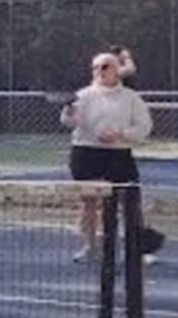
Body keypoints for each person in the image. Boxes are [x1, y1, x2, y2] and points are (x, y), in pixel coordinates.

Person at [64, 50, 152, 263]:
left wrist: (121, 135)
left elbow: (144, 127)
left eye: (105, 67)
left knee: (130, 202)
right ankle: (90, 247)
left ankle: (137, 250)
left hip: (119, 155)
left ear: (117, 71)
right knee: (88, 202)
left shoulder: (131, 98)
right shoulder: (83, 95)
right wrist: (68, 111)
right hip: (86, 153)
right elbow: (69, 122)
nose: (99, 71)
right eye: (95, 68)